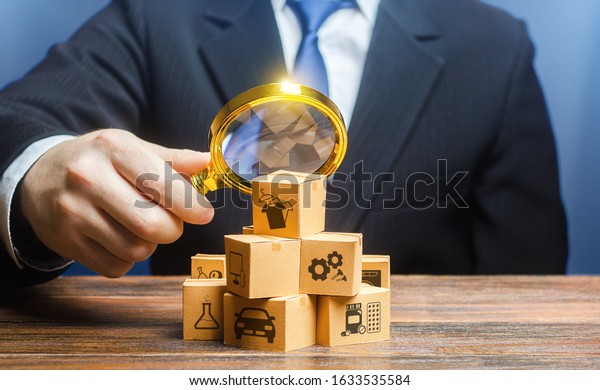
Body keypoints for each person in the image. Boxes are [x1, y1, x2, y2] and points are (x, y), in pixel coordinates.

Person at [0, 0, 567, 287]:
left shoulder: (496, 47)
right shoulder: (156, 14)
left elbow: (530, 286)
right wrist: (37, 176)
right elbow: (18, 119)